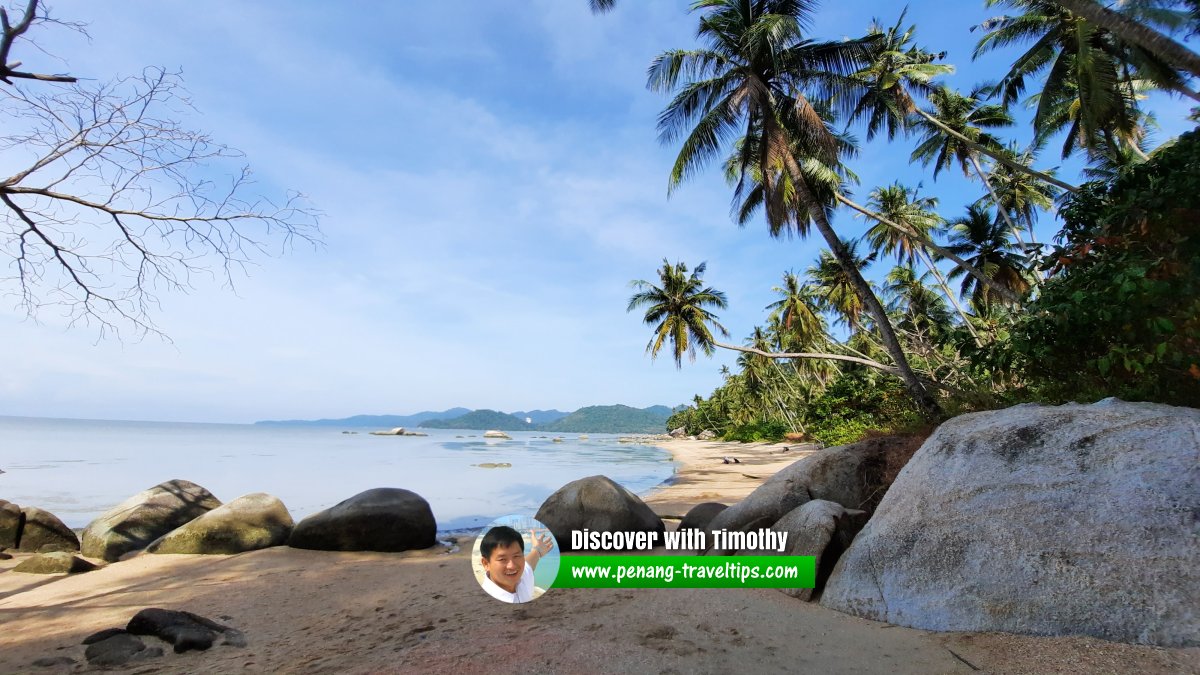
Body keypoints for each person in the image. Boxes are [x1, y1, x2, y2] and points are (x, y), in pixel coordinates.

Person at [478, 525, 554, 603]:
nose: (512, 566)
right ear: (486, 564)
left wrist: (538, 550)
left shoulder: (522, 578)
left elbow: (529, 564)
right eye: (502, 559)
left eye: (516, 556)